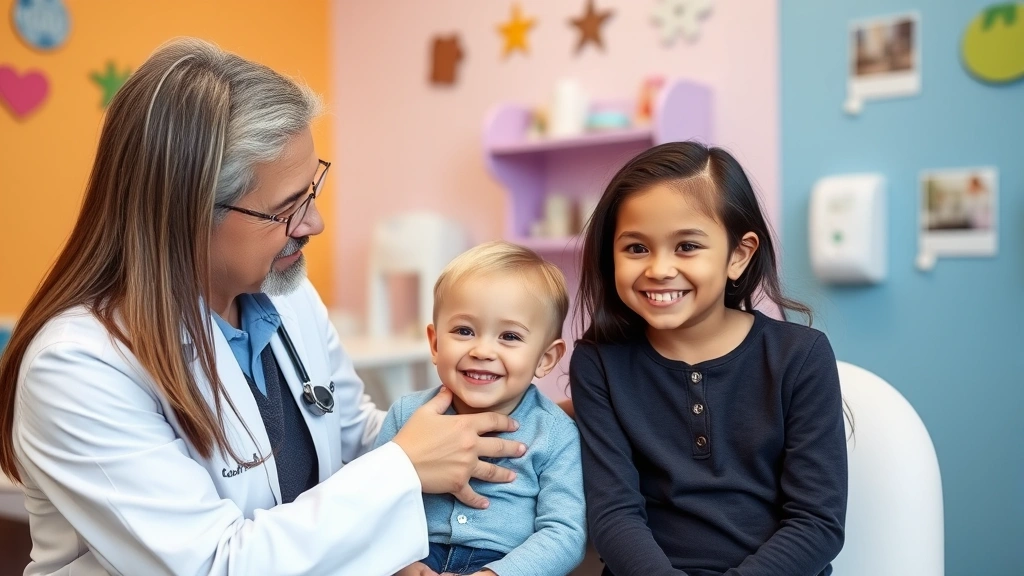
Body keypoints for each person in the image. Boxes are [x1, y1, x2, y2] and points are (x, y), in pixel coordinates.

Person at [0, 37, 527, 576]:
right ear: (187, 214)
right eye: (286, 209)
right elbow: (215, 564)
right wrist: (403, 469)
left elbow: (354, 437)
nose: (313, 224)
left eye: (311, 189)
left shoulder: (286, 293)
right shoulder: (78, 366)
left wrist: (513, 416)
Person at [569, 142, 848, 576]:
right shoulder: (598, 363)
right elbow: (614, 515)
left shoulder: (802, 357)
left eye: (687, 247)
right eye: (636, 248)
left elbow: (817, 524)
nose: (659, 268)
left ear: (738, 254)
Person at [376, 241, 586, 576]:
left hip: (506, 565)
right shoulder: (406, 415)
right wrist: (401, 564)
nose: (483, 350)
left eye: (510, 337)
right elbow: (373, 504)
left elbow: (564, 533)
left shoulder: (556, 434)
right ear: (434, 343)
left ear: (545, 359)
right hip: (413, 557)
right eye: (464, 331)